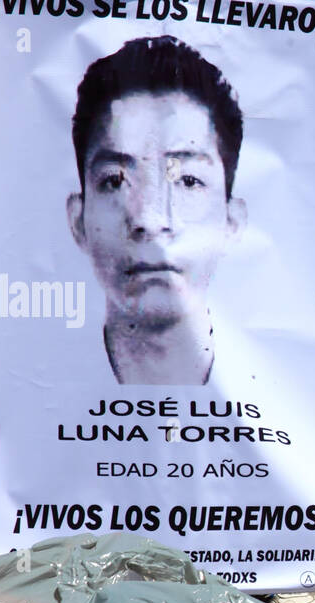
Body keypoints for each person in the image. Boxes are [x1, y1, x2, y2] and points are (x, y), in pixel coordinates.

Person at [67, 36, 246, 386]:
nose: (149, 219)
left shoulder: (278, 392)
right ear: (78, 221)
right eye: (115, 181)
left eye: (189, 181)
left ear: (232, 222)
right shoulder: (40, 391)